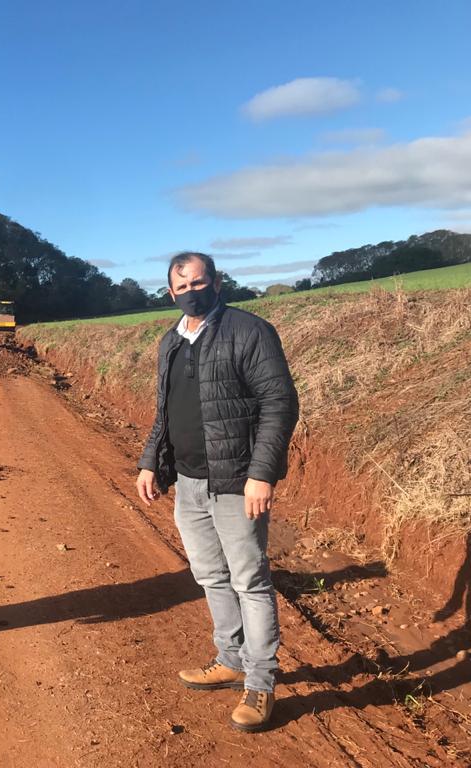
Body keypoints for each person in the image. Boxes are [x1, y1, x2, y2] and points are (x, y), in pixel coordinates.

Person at [135, 252, 298, 732]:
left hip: (236, 482)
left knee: (250, 580)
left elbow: (279, 403)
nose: (191, 292)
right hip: (188, 482)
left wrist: (262, 473)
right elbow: (165, 413)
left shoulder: (249, 331)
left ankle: (261, 682)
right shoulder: (170, 341)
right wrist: (150, 462)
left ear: (217, 282)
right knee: (210, 576)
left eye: (199, 282)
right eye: (181, 287)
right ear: (170, 293)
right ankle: (229, 659)